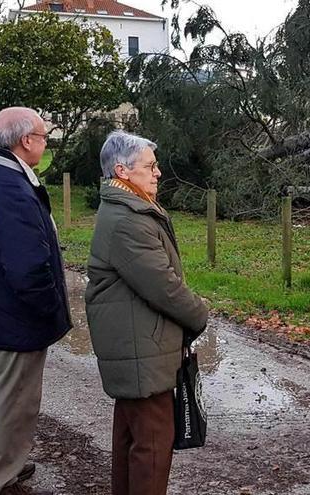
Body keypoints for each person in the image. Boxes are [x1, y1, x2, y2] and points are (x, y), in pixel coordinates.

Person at [85, 130, 208, 495]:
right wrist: (198, 314)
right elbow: (163, 286)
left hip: (137, 346)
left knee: (131, 439)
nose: (158, 174)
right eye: (150, 167)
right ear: (123, 171)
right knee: (152, 446)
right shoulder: (128, 220)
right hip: (141, 351)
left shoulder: (127, 209)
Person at [0, 107, 71, 495]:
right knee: (14, 403)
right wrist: (49, 307)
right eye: (42, 137)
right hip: (16, 318)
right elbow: (27, 266)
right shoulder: (10, 187)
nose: (44, 142)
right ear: (26, 141)